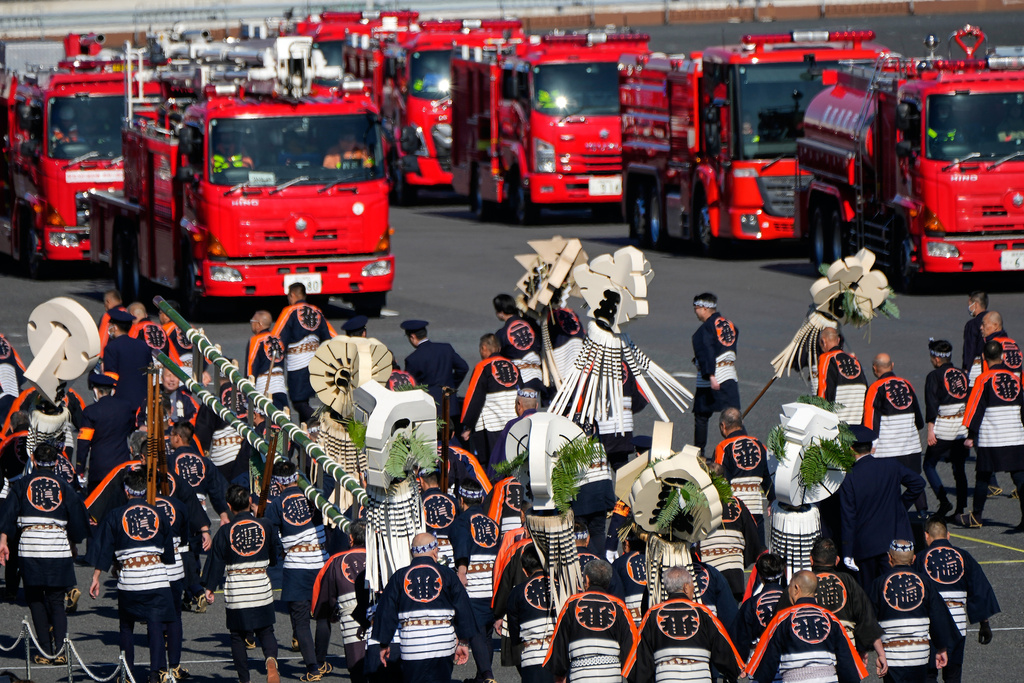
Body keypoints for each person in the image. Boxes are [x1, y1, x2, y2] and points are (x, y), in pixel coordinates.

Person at [0, 443, 89, 665]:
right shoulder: (64, 486)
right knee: (56, 600)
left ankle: (44, 650)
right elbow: (77, 517)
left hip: (30, 545)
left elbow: (9, 514)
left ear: (34, 460)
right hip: (57, 544)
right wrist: (74, 542)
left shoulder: (21, 484)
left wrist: (3, 540)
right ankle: (60, 651)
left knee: (34, 598)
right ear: (57, 462)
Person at [88, 470, 178, 683]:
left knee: (127, 625)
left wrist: (96, 577)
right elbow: (168, 552)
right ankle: (156, 673)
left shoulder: (115, 514)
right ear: (146, 491)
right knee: (155, 625)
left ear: (127, 491)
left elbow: (105, 548)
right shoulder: (159, 513)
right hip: (156, 576)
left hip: (130, 578)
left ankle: (127, 673)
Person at [202, 484, 282, 683]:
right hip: (261, 583)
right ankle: (271, 661)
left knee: (237, 636)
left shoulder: (225, 531)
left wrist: (210, 588)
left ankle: (244, 679)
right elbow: (274, 555)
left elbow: (216, 562)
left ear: (229, 506)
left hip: (237, 588)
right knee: (266, 630)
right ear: (250, 502)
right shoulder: (265, 525)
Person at [373, 533, 474, 683]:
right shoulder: (447, 574)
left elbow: (386, 611)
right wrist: (463, 642)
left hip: (412, 644)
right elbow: (463, 608)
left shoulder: (399, 576)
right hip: (443, 641)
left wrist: (384, 643)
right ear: (434, 551)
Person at [263, 460, 331, 682]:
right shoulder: (314, 496)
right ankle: (320, 661)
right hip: (322, 560)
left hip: (297, 564)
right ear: (295, 477)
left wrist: (274, 558)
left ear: (278, 483)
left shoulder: (276, 504)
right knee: (323, 616)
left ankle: (312, 668)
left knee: (300, 620)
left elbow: (273, 537)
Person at [838, 424, 926, 589]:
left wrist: (847, 552)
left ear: (851, 449)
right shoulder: (891, 465)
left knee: (870, 592)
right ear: (871, 447)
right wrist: (901, 505)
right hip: (893, 543)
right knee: (897, 588)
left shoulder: (849, 477)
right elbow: (918, 483)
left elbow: (848, 517)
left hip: (866, 546)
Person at [774, 537, 886, 663]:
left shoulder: (802, 582)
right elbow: (866, 617)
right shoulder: (847, 580)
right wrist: (880, 653)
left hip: (807, 648)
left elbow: (779, 620)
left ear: (811, 559)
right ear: (837, 560)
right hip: (845, 645)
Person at [746, 571, 871, 683]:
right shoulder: (831, 618)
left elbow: (768, 660)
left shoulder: (781, 618)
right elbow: (846, 659)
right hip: (828, 679)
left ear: (796, 588)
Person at [624, 566, 744, 683]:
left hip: (667, 677)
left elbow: (640, 658)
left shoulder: (653, 614)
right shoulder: (703, 612)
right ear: (686, 587)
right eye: (692, 585)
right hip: (699, 676)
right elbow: (722, 648)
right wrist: (734, 671)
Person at [914, 517, 998, 683]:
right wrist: (985, 624)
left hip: (929, 627)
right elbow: (979, 590)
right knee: (953, 674)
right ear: (948, 535)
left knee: (929, 673)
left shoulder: (919, 559)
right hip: (957, 624)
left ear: (926, 536)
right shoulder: (964, 557)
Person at [869, 539, 959, 683]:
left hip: (892, 657)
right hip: (920, 656)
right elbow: (938, 617)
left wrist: (876, 652)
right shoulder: (925, 582)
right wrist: (941, 648)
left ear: (889, 558)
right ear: (914, 559)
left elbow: (869, 622)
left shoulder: (878, 584)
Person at [960, 340, 1024, 529]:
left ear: (984, 359)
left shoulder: (984, 379)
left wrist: (971, 435)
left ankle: (976, 516)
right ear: (1003, 356)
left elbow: (975, 409)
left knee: (983, 476)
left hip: (992, 437)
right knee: (1020, 478)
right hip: (1015, 435)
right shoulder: (1014, 378)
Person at [544, 560, 637, 682]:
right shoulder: (619, 606)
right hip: (611, 674)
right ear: (608, 582)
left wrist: (559, 674)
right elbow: (632, 645)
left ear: (586, 580)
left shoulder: (572, 604)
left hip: (581, 674)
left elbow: (560, 643)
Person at [450, 478, 500, 683]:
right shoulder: (492, 523)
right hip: (493, 581)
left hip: (474, 582)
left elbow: (461, 548)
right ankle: (481, 677)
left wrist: (461, 573)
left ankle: (487, 676)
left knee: (476, 631)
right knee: (486, 633)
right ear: (480, 499)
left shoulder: (463, 522)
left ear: (461, 500)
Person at [271, 284, 336, 425]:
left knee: (298, 402)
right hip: (316, 363)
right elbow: (331, 336)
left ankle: (317, 421)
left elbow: (276, 338)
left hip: (297, 365)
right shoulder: (317, 311)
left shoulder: (289, 311)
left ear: (292, 295)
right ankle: (306, 433)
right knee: (304, 400)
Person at [312, 521, 367, 683]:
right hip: (380, 620)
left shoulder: (337, 560)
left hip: (351, 620)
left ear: (350, 538)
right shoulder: (383, 558)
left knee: (357, 670)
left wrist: (327, 614)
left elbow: (325, 594)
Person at [697, 464, 762, 601]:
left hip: (707, 572)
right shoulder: (737, 504)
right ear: (725, 480)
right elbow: (752, 535)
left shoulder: (698, 505)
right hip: (734, 572)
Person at [923, 340, 970, 519]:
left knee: (928, 464)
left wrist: (930, 430)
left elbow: (932, 404)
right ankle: (960, 510)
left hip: (943, 427)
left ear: (936, 358)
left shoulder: (934, 376)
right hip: (961, 428)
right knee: (959, 468)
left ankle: (943, 501)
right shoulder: (962, 374)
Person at [691, 292, 740, 455]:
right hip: (730, 373)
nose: (695, 312)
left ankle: (700, 453)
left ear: (705, 308)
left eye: (696, 308)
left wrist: (710, 375)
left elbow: (707, 351)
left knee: (701, 415)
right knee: (733, 415)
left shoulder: (704, 329)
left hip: (713, 376)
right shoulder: (730, 324)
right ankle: (737, 446)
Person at [460, 333, 521, 459]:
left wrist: (467, 424)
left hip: (493, 424)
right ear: (499, 349)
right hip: (514, 422)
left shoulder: (483, 367)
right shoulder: (512, 365)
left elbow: (474, 398)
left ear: (484, 348)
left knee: (495, 462)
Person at [76, 371, 135, 492]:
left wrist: (80, 468)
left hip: (99, 468)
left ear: (96, 391)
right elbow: (130, 428)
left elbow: (84, 443)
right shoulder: (126, 407)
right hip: (121, 466)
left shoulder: (90, 411)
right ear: (112, 391)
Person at [713, 407, 771, 527]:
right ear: (742, 424)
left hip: (734, 509)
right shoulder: (760, 445)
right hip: (756, 509)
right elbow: (768, 476)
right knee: (758, 545)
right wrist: (772, 498)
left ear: (723, 426)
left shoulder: (723, 447)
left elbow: (720, 479)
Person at [504, 545, 555, 683]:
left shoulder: (516, 593)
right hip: (558, 656)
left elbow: (515, 634)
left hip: (532, 657)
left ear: (525, 571)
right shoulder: (561, 587)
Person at [401, 319, 469, 408]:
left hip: (429, 406)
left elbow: (409, 385)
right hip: (450, 404)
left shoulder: (412, 359)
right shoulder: (446, 349)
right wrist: (451, 385)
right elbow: (463, 368)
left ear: (412, 337)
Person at [733, 553, 787, 659]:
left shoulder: (751, 604)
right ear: (781, 573)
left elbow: (740, 638)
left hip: (759, 658)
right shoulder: (792, 600)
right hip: (787, 658)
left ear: (760, 575)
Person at [102, 308, 154, 412]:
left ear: (115, 327)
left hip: (121, 402)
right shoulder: (143, 346)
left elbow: (111, 379)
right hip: (142, 401)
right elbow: (151, 371)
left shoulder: (111, 347)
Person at [818, 326, 869, 424]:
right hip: (858, 423)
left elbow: (823, 393)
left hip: (839, 424)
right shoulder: (854, 359)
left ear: (823, 342)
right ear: (838, 340)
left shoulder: (826, 359)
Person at [493, 294, 543, 390]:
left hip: (521, 378)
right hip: (537, 375)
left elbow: (497, 359)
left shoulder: (501, 334)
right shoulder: (532, 324)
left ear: (501, 312)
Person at [487, 388, 539, 481]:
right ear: (537, 406)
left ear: (519, 404)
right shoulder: (545, 422)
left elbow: (499, 459)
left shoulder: (512, 425)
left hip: (517, 480)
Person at [246, 310, 288, 412]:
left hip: (263, 385)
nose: (251, 323)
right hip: (280, 385)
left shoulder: (255, 340)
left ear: (259, 324)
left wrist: (247, 390)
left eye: (252, 321)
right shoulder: (278, 339)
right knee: (283, 417)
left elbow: (251, 366)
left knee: (264, 420)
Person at [420, 469, 458, 565]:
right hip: (452, 553)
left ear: (421, 480)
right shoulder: (454, 501)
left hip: (427, 553)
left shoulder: (418, 502)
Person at [613, 533, 647, 624]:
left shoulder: (618, 563)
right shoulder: (654, 558)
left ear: (627, 543)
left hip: (631, 617)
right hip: (652, 610)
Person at [979, 311, 1022, 377]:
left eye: (984, 324)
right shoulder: (1013, 344)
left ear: (995, 326)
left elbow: (988, 374)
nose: (981, 327)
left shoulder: (992, 346)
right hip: (1016, 384)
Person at [962, 292, 988, 386]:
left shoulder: (972, 324)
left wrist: (966, 368)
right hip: (992, 366)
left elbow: (970, 348)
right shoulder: (994, 320)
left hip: (976, 368)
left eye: (970, 304)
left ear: (975, 304)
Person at [98, 288, 126, 355]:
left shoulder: (108, 316)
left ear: (108, 302)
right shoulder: (129, 313)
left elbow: (103, 338)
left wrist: (100, 357)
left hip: (111, 354)